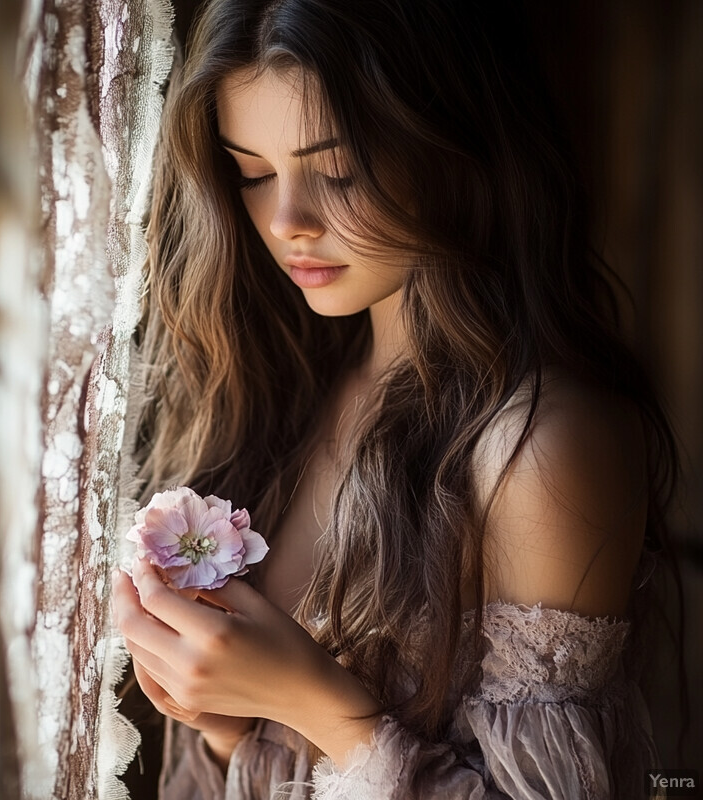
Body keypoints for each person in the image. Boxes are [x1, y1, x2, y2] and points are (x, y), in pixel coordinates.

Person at [110, 0, 679, 797]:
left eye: (337, 172)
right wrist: (229, 721)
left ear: (455, 144)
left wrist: (316, 707)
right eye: (254, 173)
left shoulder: (540, 446)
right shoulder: (284, 395)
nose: (287, 222)